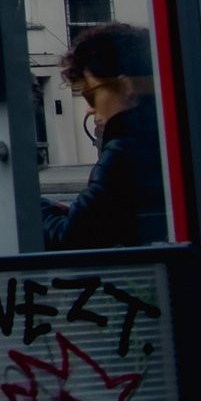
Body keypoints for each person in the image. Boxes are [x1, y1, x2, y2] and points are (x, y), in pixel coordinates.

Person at [42, 20, 166, 251]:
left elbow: (71, 238)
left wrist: (34, 207)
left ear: (125, 86)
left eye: (90, 95)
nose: (90, 109)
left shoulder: (125, 153)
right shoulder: (160, 137)